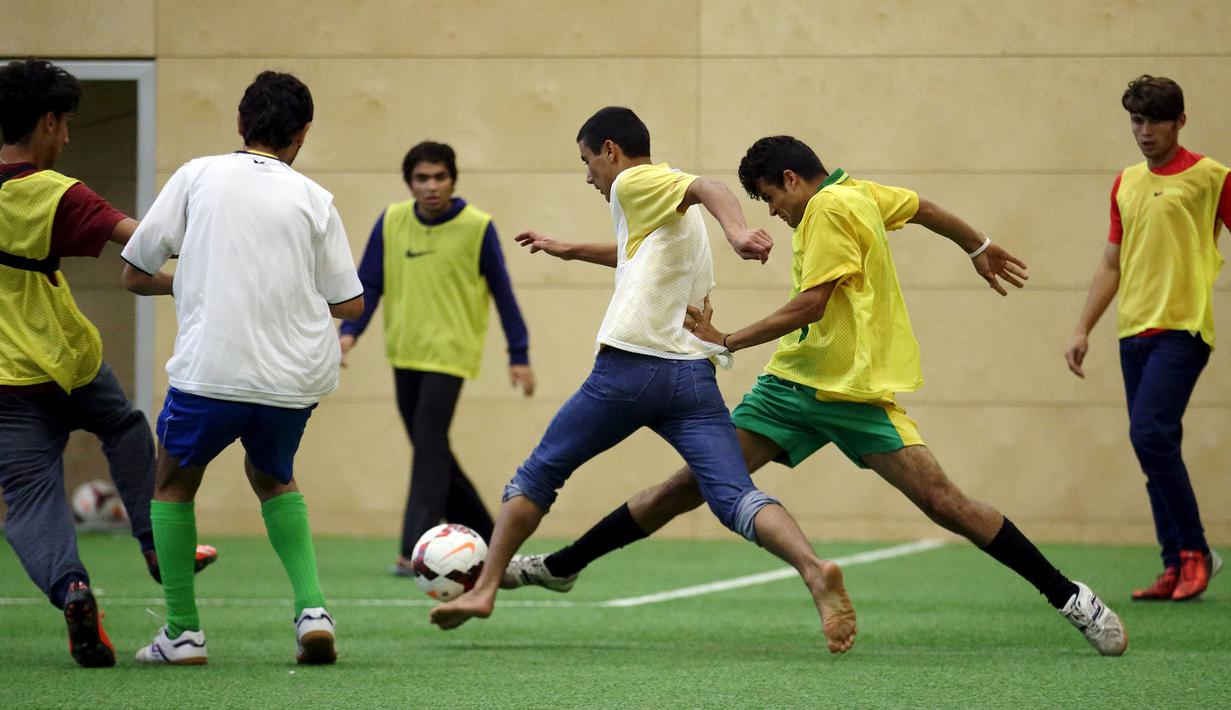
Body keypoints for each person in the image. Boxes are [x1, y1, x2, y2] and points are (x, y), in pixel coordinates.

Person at [504, 134, 1129, 657]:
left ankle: (1068, 594)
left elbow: (812, 302)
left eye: (771, 199)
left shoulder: (827, 210)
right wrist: (978, 245)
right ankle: (563, 565)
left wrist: (728, 339)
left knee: (946, 503)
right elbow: (925, 207)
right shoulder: (861, 192)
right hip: (793, 389)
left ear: (792, 180)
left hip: (850, 394)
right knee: (686, 487)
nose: (773, 212)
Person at [428, 107, 857, 655]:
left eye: (587, 161)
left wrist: (738, 231)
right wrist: (570, 248)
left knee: (539, 473)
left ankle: (484, 588)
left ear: (610, 150)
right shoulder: (659, 212)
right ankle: (815, 570)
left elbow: (709, 184)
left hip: (628, 371)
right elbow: (635, 255)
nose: (588, 176)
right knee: (733, 496)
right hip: (692, 379)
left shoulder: (634, 180)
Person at [120, 71, 363, 665]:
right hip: (293, 378)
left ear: (238, 122)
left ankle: (182, 633)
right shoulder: (315, 198)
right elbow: (349, 304)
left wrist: (190, 276)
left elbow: (134, 273)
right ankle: (312, 611)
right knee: (274, 476)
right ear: (302, 135)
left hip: (213, 370)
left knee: (174, 484)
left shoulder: (196, 175)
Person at [0, 58, 216, 668]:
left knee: (30, 499)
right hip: (69, 360)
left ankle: (72, 589)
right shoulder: (51, 192)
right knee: (123, 427)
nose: (66, 138)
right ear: (46, 122)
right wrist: (206, 275)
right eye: (65, 125)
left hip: (6, 383)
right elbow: (142, 239)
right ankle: (155, 547)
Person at [338, 141, 535, 574]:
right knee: (433, 449)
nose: (431, 187)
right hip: (404, 352)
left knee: (428, 444)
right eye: (422, 179)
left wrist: (518, 353)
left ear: (453, 179)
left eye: (439, 177)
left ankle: (415, 550)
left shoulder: (476, 226)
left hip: (450, 355)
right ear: (409, 182)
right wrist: (349, 332)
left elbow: (503, 293)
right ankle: (487, 533)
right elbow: (369, 284)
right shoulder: (391, 221)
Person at [1066, 75, 1227, 602]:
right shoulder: (1126, 183)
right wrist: (1082, 327)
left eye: (1156, 120)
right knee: (1155, 444)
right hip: (1132, 332)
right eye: (1137, 120)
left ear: (1180, 121)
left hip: (1183, 329)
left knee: (1150, 434)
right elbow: (1111, 262)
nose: (1145, 131)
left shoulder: (1212, 178)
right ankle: (1173, 563)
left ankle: (1196, 553)